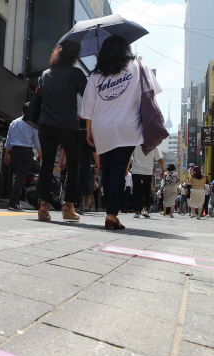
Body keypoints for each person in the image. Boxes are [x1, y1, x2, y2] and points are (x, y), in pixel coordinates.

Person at [81, 35, 162, 229]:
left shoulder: (96, 75)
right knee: (118, 168)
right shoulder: (139, 66)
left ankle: (111, 212)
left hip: (101, 127)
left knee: (108, 169)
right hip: (128, 126)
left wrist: (88, 131)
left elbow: (87, 107)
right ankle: (111, 215)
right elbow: (151, 93)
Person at [36, 40, 87, 222]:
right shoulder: (76, 73)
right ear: (75, 56)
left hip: (46, 124)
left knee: (47, 165)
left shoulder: (45, 74)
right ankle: (68, 206)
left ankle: (43, 205)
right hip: (68, 125)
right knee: (73, 165)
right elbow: (89, 96)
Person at [4, 102, 42, 211]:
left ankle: (16, 203)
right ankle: (12, 204)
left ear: (22, 111)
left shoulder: (14, 122)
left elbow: (8, 140)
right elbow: (37, 141)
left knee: (18, 178)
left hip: (14, 152)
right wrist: (40, 154)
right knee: (20, 179)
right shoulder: (32, 123)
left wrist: (6, 154)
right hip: (26, 152)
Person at [129, 145, 164, 218]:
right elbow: (159, 159)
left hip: (136, 171)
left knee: (136, 191)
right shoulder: (153, 145)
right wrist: (163, 170)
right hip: (148, 171)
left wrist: (126, 168)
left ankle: (137, 211)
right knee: (147, 191)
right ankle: (145, 210)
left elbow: (129, 158)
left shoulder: (135, 144)